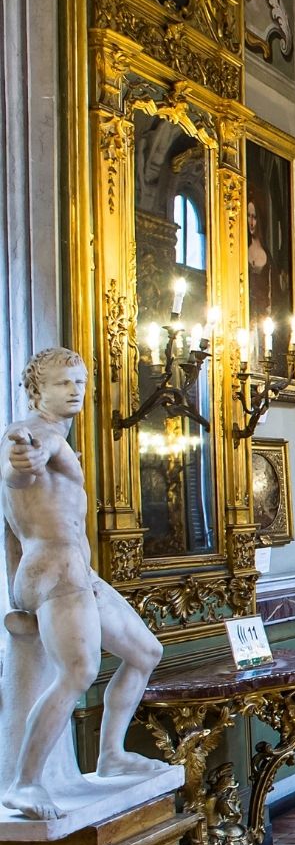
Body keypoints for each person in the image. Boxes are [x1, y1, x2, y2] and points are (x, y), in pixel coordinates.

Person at [1, 348, 167, 820]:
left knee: (146, 652)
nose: (75, 390)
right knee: (77, 672)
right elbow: (19, 465)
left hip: (76, 572)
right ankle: (25, 783)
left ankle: (110, 754)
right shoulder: (35, 434)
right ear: (38, 391)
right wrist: (23, 457)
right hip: (54, 571)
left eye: (80, 381)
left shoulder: (58, 437)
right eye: (62, 383)